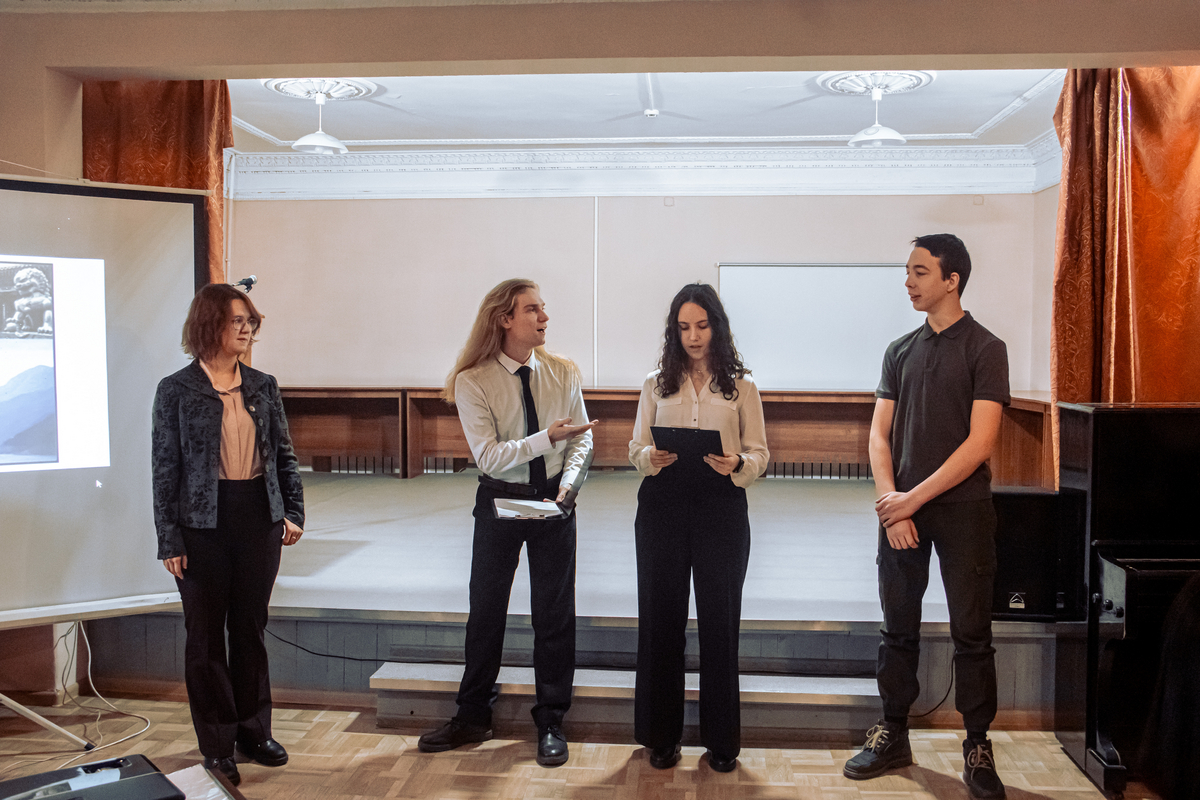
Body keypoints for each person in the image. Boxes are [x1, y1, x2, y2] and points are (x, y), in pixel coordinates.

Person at [842, 234, 1009, 799]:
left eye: (919, 271)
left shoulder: (987, 348)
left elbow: (980, 443)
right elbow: (878, 436)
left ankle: (977, 745)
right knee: (897, 628)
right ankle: (893, 732)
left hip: (965, 512)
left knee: (972, 634)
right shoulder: (899, 350)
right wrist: (894, 507)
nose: (908, 281)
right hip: (901, 516)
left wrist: (911, 500)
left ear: (951, 280)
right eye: (907, 271)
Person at [418, 278, 595, 768]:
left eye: (544, 308)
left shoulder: (563, 371)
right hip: (502, 502)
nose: (544, 317)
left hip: (553, 502)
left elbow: (581, 438)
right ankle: (472, 716)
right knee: (487, 612)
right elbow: (490, 457)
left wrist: (570, 486)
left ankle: (551, 720)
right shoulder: (473, 380)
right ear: (505, 319)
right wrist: (546, 438)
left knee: (554, 615)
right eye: (533, 309)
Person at [151, 283, 305, 787]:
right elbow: (164, 468)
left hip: (257, 516)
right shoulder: (176, 389)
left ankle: (254, 732)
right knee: (204, 639)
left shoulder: (263, 385)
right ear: (209, 325)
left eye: (249, 322)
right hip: (200, 526)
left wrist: (293, 510)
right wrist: (169, 539)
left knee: (249, 630)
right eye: (237, 321)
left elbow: (283, 453)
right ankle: (217, 745)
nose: (246, 329)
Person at [627, 282, 768, 773]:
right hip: (662, 508)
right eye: (684, 327)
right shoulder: (655, 383)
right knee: (660, 622)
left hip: (720, 510)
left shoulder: (743, 386)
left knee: (719, 624)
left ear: (717, 327)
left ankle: (722, 742)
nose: (693, 336)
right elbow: (635, 447)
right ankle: (660, 736)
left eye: (702, 326)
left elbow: (760, 453)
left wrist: (738, 463)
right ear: (674, 331)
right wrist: (649, 456)